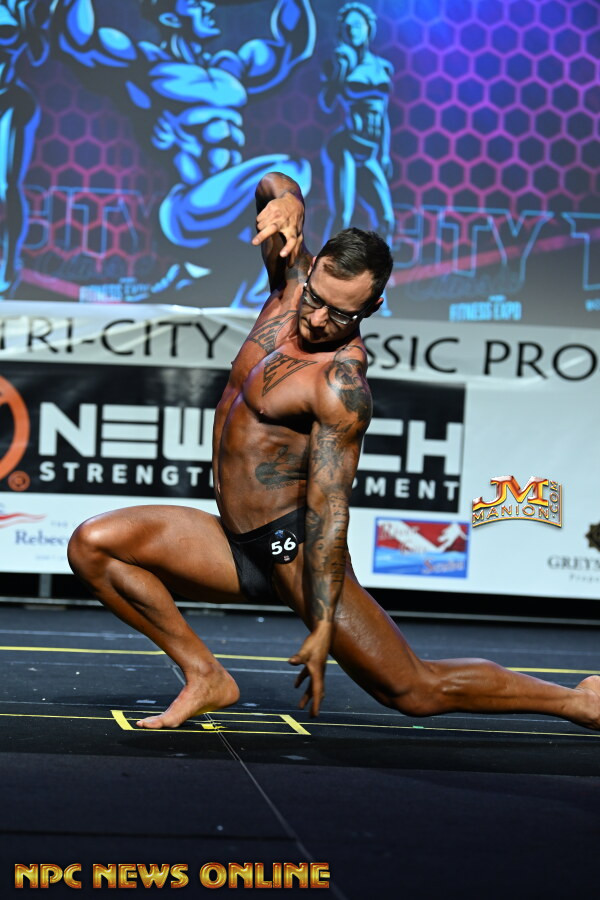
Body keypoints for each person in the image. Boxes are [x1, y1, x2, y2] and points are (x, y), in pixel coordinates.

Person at [67, 171, 600, 731]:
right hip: (235, 538)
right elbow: (273, 183)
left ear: (372, 306)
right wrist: (286, 199)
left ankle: (578, 702)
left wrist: (322, 626)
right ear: (312, 268)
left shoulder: (340, 385)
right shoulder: (290, 287)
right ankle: (206, 675)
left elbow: (329, 508)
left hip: (297, 550)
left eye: (342, 314)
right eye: (318, 300)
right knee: (94, 546)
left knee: (412, 690)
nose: (320, 320)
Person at [54, 0, 314, 306]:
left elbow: (292, 45)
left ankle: (213, 281)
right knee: (289, 170)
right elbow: (80, 39)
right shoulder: (148, 64)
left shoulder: (231, 68)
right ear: (170, 17)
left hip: (232, 208)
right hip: (188, 209)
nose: (209, 8)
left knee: (277, 201)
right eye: (196, 4)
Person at [319, 3, 394, 250]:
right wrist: (341, 71)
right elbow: (326, 103)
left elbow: (383, 114)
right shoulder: (339, 62)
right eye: (347, 27)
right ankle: (324, 267)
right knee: (343, 215)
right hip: (346, 145)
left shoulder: (383, 66)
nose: (353, 31)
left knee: (386, 218)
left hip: (370, 151)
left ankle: (379, 268)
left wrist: (384, 154)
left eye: (358, 25)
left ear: (368, 28)